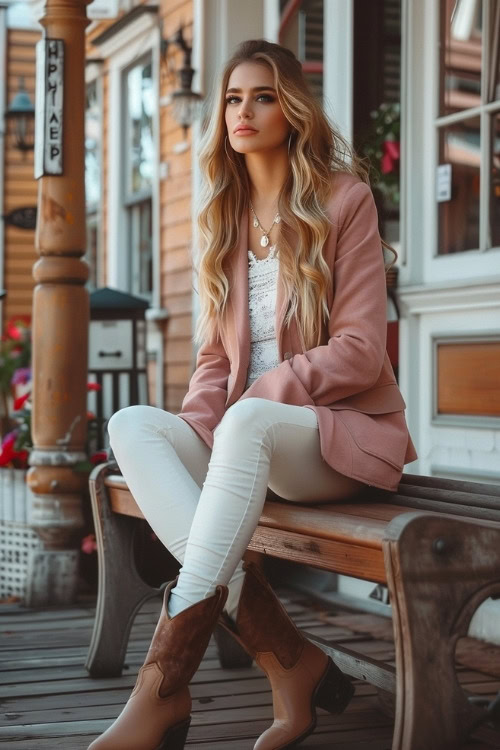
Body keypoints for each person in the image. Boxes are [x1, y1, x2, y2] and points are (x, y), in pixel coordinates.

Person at [88, 38, 417, 750]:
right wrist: (194, 436)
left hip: (335, 438)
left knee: (248, 424)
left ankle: (162, 689)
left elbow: (361, 351)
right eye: (233, 98)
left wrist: (259, 396)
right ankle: (291, 661)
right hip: (251, 435)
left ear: (291, 109)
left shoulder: (344, 201)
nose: (244, 110)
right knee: (133, 426)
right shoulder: (228, 216)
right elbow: (214, 362)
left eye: (262, 95)